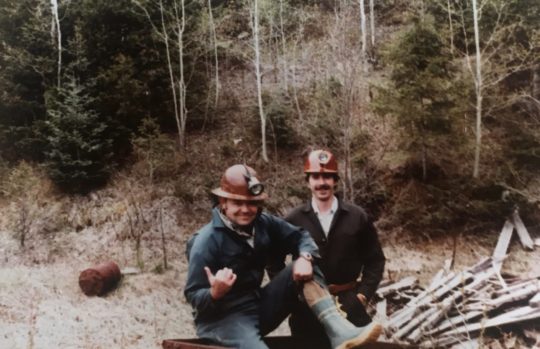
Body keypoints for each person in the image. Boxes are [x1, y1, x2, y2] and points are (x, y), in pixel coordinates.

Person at [184, 164, 382, 349]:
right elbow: (193, 296)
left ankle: (340, 331)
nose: (245, 209)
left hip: (257, 308)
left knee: (305, 264)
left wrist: (305, 257)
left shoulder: (262, 223)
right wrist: (215, 293)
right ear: (223, 203)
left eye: (251, 203)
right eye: (237, 203)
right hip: (222, 321)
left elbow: (300, 235)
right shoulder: (206, 241)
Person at [283, 149, 386, 345]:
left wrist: (362, 295)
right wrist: (291, 296)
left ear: (335, 180)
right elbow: (273, 259)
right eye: (316, 176)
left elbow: (375, 260)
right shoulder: (293, 219)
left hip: (350, 305)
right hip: (307, 310)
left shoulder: (357, 216)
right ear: (308, 181)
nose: (322, 182)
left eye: (327, 177)